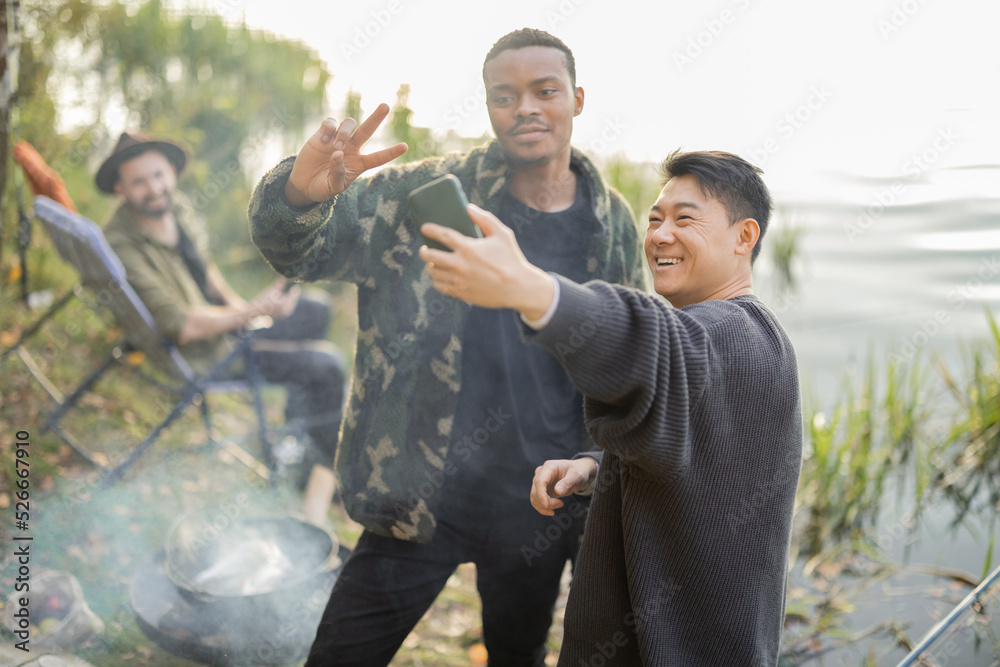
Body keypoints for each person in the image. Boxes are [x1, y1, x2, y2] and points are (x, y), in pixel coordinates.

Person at [247, 28, 646, 667]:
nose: (526, 109)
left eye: (545, 91)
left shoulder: (613, 221)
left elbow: (629, 355)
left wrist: (595, 463)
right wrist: (301, 193)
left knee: (517, 653)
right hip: (419, 486)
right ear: (488, 107)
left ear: (577, 98)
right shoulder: (418, 195)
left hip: (542, 497)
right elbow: (300, 252)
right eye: (504, 96)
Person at [419, 149, 802, 666]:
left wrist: (531, 288)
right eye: (655, 219)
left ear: (744, 237)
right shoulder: (731, 340)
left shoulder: (738, 335)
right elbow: (703, 457)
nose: (660, 235)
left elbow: (648, 341)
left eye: (684, 219)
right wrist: (597, 468)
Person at [96, 132, 347, 522]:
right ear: (119, 188)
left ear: (171, 173)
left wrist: (247, 308)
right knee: (328, 366)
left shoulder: (172, 209)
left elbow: (207, 272)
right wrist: (252, 312)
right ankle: (320, 470)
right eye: (139, 181)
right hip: (204, 353)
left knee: (315, 309)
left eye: (159, 175)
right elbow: (181, 326)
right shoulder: (122, 243)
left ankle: (293, 443)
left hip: (225, 328)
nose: (155, 188)